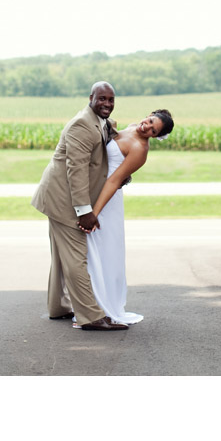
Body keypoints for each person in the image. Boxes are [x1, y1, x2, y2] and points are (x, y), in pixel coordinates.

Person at [31, 82, 128, 331]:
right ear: (91, 98)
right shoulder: (82, 124)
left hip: (57, 197)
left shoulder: (102, 121)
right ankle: (90, 316)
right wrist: (84, 211)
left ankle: (58, 307)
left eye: (111, 99)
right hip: (63, 200)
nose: (107, 104)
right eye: (102, 99)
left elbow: (101, 159)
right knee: (76, 258)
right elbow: (76, 170)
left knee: (62, 257)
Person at [80, 109, 174, 326]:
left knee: (103, 253)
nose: (146, 127)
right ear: (149, 115)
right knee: (89, 251)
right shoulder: (132, 126)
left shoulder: (140, 150)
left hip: (107, 200)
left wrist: (94, 213)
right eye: (150, 121)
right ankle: (85, 303)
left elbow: (114, 181)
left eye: (153, 130)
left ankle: (100, 306)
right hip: (95, 189)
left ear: (156, 136)